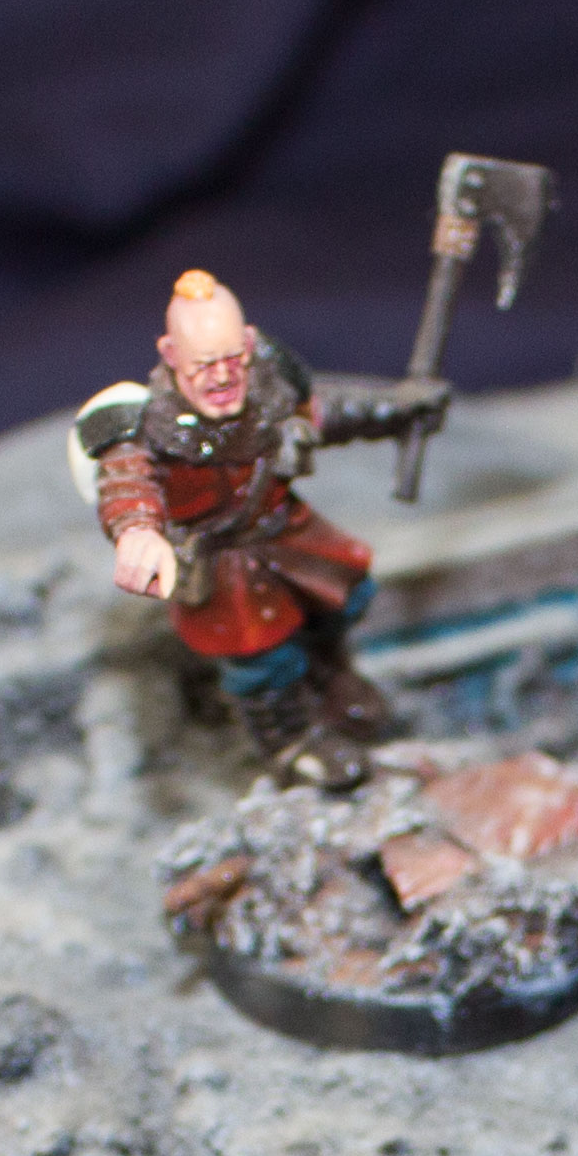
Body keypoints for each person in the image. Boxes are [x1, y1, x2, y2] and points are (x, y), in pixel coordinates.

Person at [79, 267, 451, 785]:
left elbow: (326, 413)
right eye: (204, 364)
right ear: (171, 354)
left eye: (232, 359)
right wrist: (138, 529)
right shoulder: (144, 427)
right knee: (260, 657)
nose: (221, 377)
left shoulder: (268, 389)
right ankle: (289, 743)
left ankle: (330, 679)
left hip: (287, 534)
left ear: (249, 343)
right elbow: (126, 480)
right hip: (223, 560)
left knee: (343, 601)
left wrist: (398, 409)